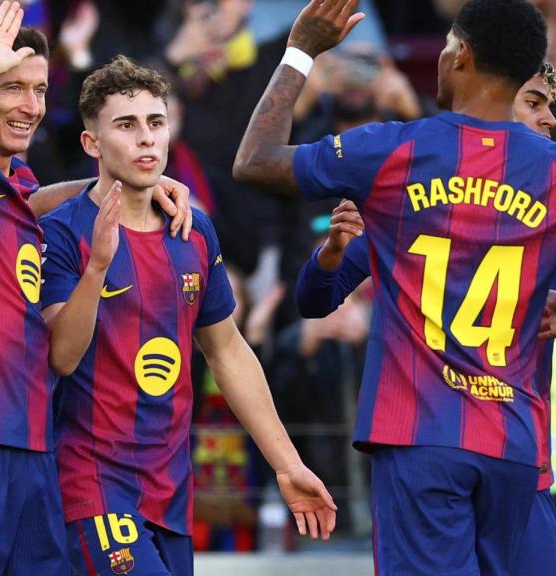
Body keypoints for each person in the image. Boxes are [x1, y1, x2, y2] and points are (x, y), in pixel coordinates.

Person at [232, 0, 556, 574]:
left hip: (419, 435)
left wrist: (301, 49)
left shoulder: (393, 155)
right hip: (516, 444)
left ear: (460, 57)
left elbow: (254, 161)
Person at [0, 3, 192, 574]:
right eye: (12, 87)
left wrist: (132, 178)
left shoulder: (15, 180)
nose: (31, 106)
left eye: (41, 90)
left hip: (33, 445)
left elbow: (35, 197)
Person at [39, 55, 336, 576]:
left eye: (156, 123)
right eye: (126, 126)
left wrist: (288, 466)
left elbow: (227, 351)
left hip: (170, 488)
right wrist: (98, 267)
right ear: (92, 144)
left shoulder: (193, 231)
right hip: (91, 484)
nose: (146, 139)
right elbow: (61, 356)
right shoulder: (64, 232)